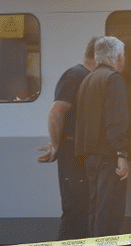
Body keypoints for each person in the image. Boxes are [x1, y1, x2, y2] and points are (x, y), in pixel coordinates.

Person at [37, 37, 98, 240]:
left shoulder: (86, 76)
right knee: (75, 211)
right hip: (72, 153)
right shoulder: (75, 75)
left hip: (77, 151)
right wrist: (57, 145)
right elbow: (56, 112)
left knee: (82, 209)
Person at [74, 36, 130, 237]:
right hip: (108, 155)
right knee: (110, 211)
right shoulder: (113, 79)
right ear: (118, 57)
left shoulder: (88, 79)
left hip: (91, 155)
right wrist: (121, 153)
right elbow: (116, 120)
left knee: (96, 209)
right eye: (123, 56)